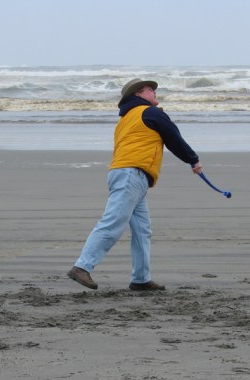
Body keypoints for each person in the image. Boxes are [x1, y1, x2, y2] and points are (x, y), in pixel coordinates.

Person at [67, 78, 202, 291]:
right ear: (138, 94)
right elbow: (173, 137)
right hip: (132, 175)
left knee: (142, 230)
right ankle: (82, 266)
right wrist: (193, 160)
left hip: (126, 175)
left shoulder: (126, 118)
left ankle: (141, 279)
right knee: (112, 223)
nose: (155, 92)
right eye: (150, 89)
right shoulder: (150, 113)